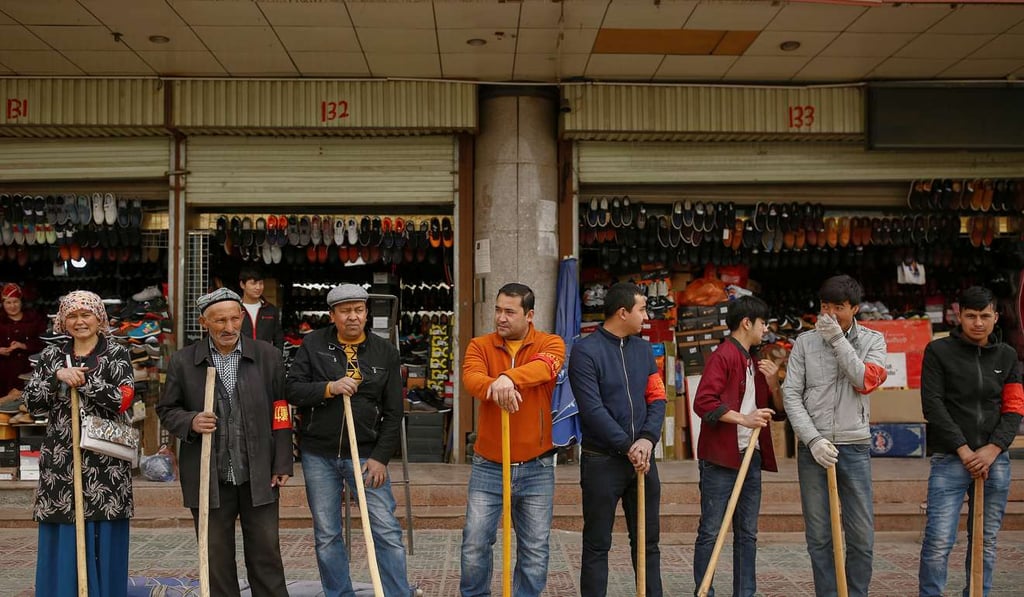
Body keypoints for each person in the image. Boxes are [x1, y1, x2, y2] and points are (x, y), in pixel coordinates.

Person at [157, 288, 292, 597]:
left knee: (266, 554)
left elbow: (281, 411)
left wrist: (282, 460)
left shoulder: (267, 356)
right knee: (216, 558)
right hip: (209, 477)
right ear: (204, 321)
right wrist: (190, 421)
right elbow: (166, 410)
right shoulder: (184, 361)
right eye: (220, 321)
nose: (229, 328)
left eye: (234, 318)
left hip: (259, 472)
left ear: (243, 317)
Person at [286, 283, 416, 597]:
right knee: (327, 534)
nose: (353, 317)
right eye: (345, 311)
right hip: (319, 454)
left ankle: (396, 594)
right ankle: (339, 594)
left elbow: (394, 411)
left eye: (359, 310)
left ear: (367, 312)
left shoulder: (385, 351)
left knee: (385, 530)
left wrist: (381, 457)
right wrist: (329, 388)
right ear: (332, 315)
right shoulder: (313, 344)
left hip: (367, 455)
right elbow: (291, 389)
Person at [22, 290, 135, 597]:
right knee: (64, 527)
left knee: (104, 529)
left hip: (105, 463)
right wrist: (57, 377)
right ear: (63, 321)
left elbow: (123, 400)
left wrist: (85, 381)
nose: (79, 321)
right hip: (62, 460)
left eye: (86, 314)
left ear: (99, 318)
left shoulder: (116, 353)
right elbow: (32, 403)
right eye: (72, 315)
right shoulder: (51, 356)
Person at [783, 275, 888, 597]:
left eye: (838, 307)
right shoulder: (803, 342)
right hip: (813, 449)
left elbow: (864, 381)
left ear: (854, 308)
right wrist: (812, 440)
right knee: (819, 535)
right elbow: (790, 395)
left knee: (861, 535)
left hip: (853, 446)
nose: (829, 314)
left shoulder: (874, 340)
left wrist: (838, 341)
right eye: (825, 306)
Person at [460, 283, 566, 597]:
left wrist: (510, 377)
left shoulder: (551, 342)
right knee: (475, 543)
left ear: (529, 315)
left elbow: (546, 368)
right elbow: (472, 379)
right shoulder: (480, 345)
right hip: (488, 466)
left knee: (535, 548)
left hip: (537, 465)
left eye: (509, 311)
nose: (500, 318)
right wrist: (496, 385)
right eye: (497, 309)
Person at [918, 286, 1024, 597]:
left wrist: (993, 449)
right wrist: (964, 451)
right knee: (938, 540)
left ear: (996, 316)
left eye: (985, 316)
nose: (978, 323)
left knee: (985, 539)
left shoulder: (1006, 355)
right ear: (958, 316)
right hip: (950, 459)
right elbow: (933, 406)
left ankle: (978, 593)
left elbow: (1014, 407)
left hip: (995, 462)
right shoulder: (938, 352)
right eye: (971, 316)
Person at [569, 281, 667, 597]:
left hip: (643, 460)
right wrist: (628, 445)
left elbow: (657, 397)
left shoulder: (643, 350)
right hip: (602, 462)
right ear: (623, 312)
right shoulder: (585, 351)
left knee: (648, 542)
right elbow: (592, 409)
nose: (646, 316)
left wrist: (648, 440)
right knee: (597, 543)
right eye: (642, 309)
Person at [692, 295, 785, 597]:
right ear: (747, 323)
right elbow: (703, 402)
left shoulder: (753, 359)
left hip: (751, 456)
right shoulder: (724, 355)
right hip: (721, 459)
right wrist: (744, 420)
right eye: (762, 324)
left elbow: (773, 410)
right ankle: (704, 592)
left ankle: (745, 593)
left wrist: (772, 385)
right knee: (711, 532)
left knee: (747, 533)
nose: (766, 330)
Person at [0, 283, 45, 397]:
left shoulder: (34, 319)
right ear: (3, 304)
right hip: (4, 373)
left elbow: (44, 342)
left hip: (29, 370)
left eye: (15, 302)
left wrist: (23, 345)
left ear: (21, 302)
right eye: (8, 302)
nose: (12, 306)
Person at [238, 265, 283, 350]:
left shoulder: (271, 310)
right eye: (253, 283)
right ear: (242, 285)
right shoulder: (234, 309)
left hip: (265, 359)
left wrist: (276, 360)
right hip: (241, 360)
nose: (258, 287)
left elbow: (278, 338)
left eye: (261, 283)